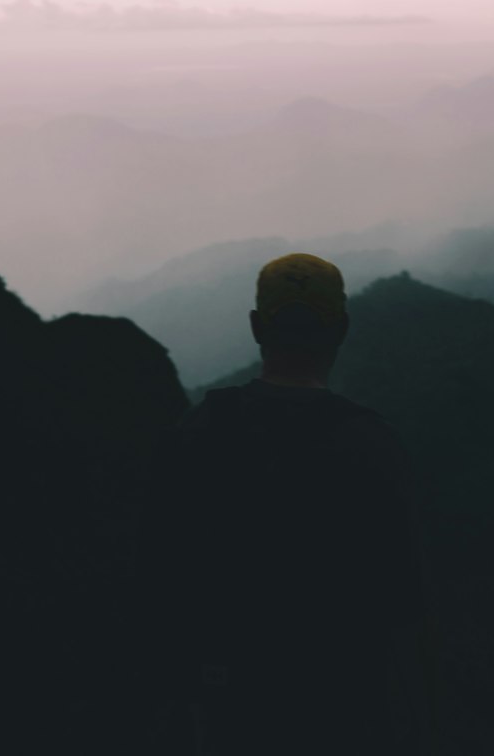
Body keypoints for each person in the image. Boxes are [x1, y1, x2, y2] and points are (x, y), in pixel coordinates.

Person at [138, 253, 440, 755]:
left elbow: (159, 577)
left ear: (257, 326)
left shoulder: (200, 430)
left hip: (225, 710)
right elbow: (409, 606)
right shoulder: (370, 445)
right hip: (342, 713)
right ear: (341, 329)